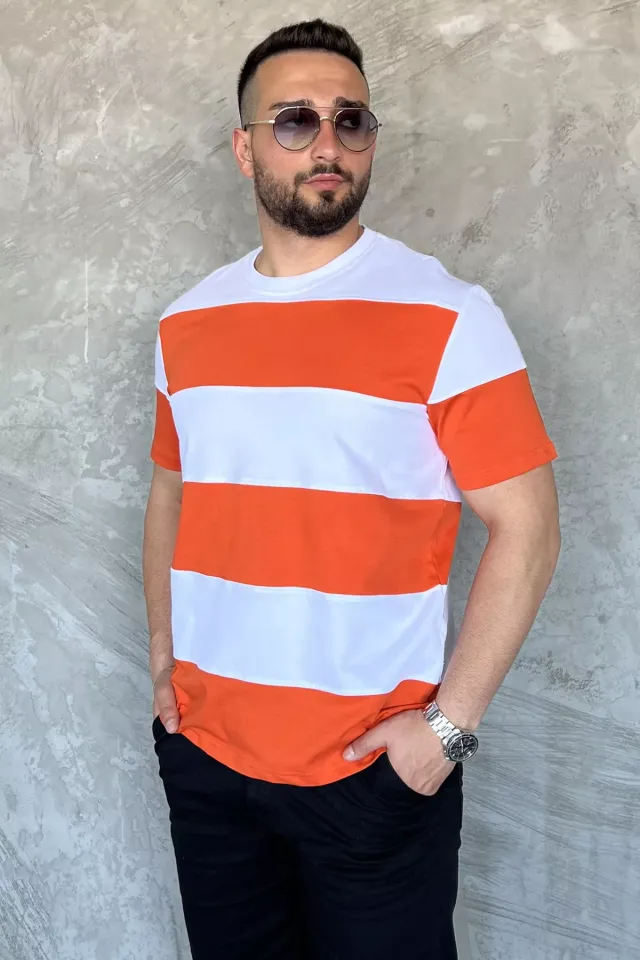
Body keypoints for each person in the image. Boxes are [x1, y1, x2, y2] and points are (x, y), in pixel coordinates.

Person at [143, 18, 560, 960]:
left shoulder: (452, 316)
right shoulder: (186, 324)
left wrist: (448, 732)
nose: (327, 142)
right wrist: (166, 664)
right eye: (294, 120)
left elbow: (529, 529)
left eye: (351, 119)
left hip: (371, 777)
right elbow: (171, 496)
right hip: (207, 764)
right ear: (245, 149)